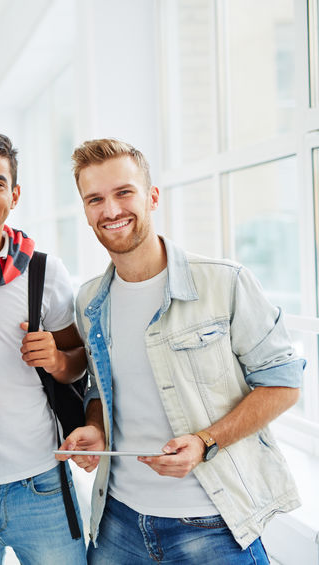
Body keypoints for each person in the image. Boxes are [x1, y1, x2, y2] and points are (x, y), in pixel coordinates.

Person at [59, 138, 304, 564]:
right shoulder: (89, 301)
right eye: (95, 199)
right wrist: (96, 428)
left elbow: (283, 384)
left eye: (123, 193)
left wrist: (205, 441)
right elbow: (101, 385)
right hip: (118, 522)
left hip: (214, 525)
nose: (111, 210)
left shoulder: (225, 283)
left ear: (152, 196)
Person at [0, 132, 87, 565]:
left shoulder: (44, 271)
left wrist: (59, 360)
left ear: (15, 194)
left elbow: (79, 364)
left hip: (38, 480)